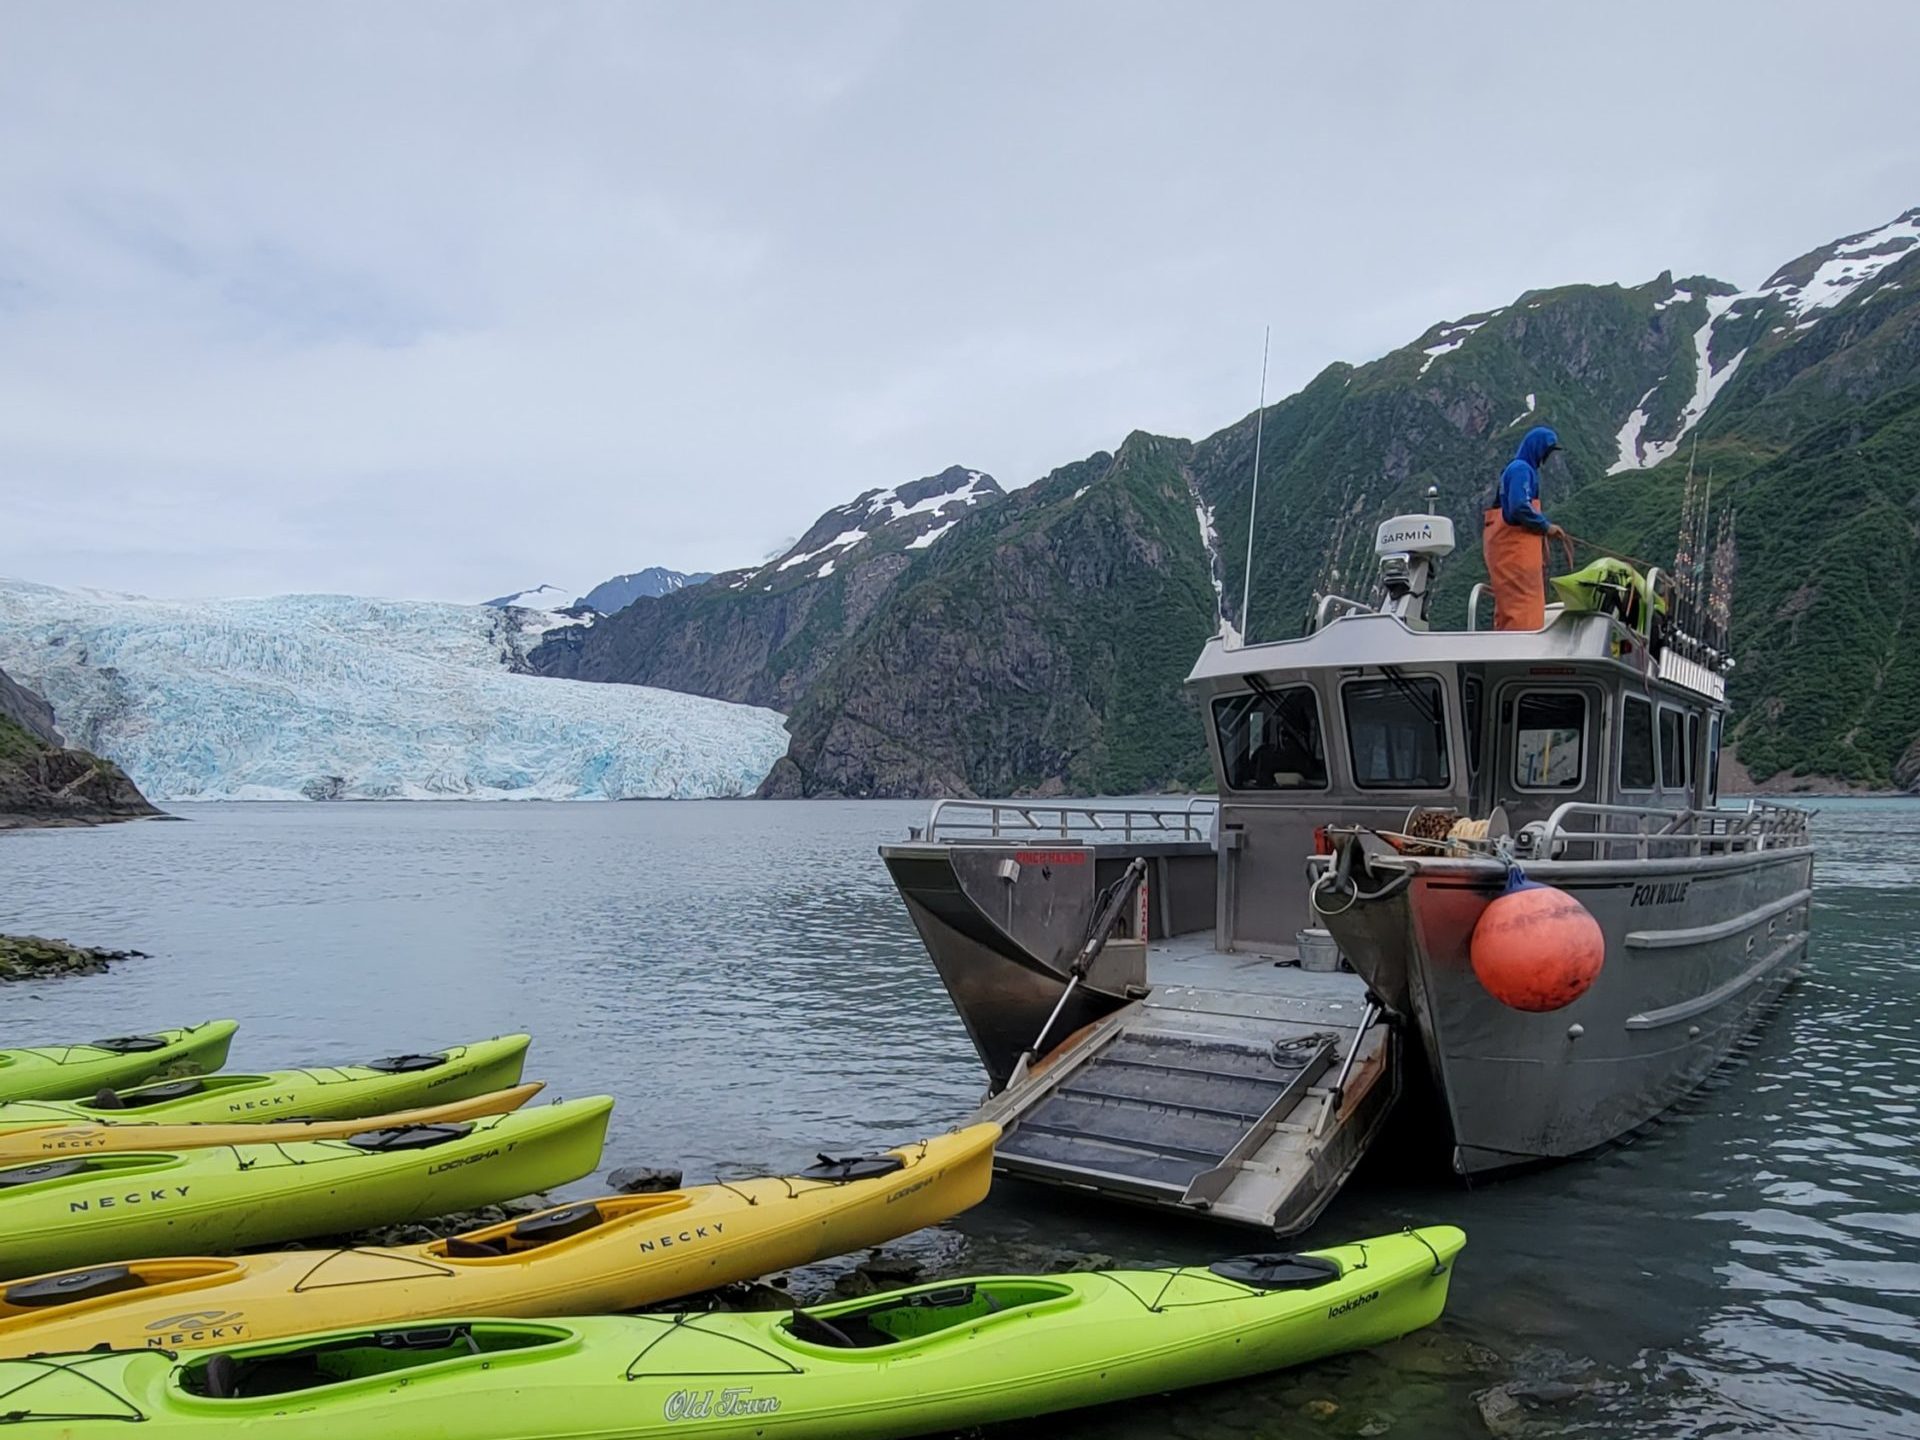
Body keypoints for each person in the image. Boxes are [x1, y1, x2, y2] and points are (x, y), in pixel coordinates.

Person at [1483, 425, 1572, 631]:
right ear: (1537, 448)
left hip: (1514, 554)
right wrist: (1545, 526)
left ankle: (1512, 642)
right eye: (1547, 451)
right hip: (1514, 554)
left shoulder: (1519, 469)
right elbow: (1519, 506)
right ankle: (1522, 647)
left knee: (1515, 607)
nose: (1547, 456)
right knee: (1521, 606)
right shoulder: (1521, 469)